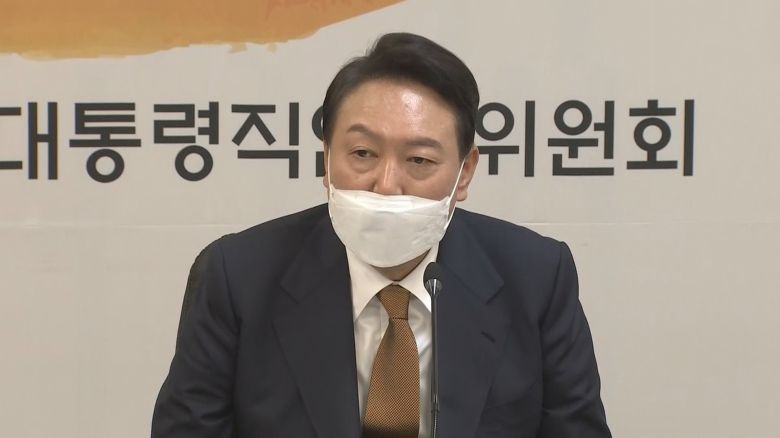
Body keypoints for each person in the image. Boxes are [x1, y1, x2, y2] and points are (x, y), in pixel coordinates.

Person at [152, 32, 611, 438]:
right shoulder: (238, 278)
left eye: (419, 160)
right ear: (326, 158)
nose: (386, 184)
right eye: (363, 153)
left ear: (465, 173)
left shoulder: (536, 278)